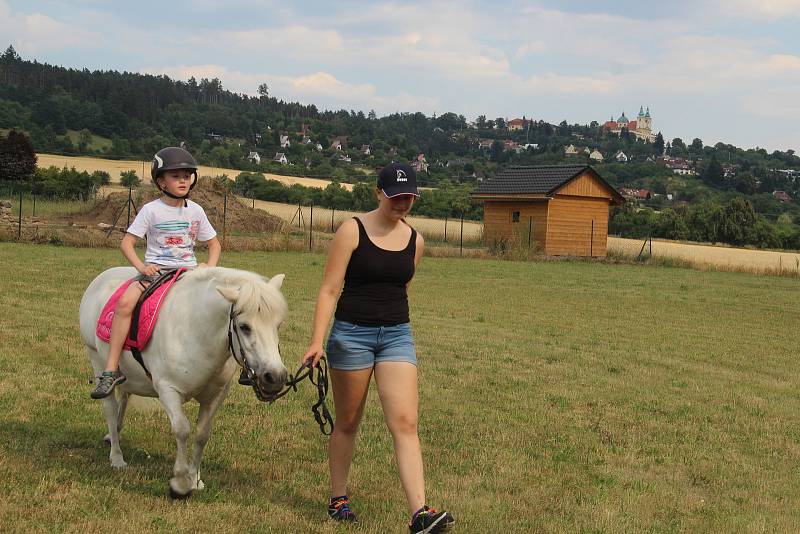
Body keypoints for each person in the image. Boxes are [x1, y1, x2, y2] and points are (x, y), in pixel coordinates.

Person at [302, 162, 455, 533]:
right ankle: (338, 497)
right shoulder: (351, 230)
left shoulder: (416, 241)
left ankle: (420, 513)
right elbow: (328, 289)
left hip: (397, 336)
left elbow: (402, 288)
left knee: (405, 423)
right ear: (378, 193)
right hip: (351, 336)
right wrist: (316, 341)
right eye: (395, 197)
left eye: (408, 197)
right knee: (348, 422)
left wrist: (393, 323)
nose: (402, 203)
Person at [90, 146, 221, 399]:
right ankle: (110, 370)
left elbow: (214, 244)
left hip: (189, 273)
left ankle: (239, 365)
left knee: (226, 303)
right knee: (125, 303)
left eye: (186, 175)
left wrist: (209, 266)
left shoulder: (196, 211)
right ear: (161, 181)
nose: (183, 180)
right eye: (175, 176)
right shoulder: (151, 210)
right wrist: (141, 267)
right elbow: (126, 243)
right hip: (156, 273)